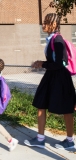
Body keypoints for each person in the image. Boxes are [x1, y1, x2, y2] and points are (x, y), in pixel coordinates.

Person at [24, 13, 76, 149]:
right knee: (41, 103)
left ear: (54, 24)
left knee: (67, 109)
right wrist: (43, 63)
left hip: (60, 77)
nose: (43, 25)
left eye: (47, 22)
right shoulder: (52, 39)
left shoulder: (58, 40)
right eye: (44, 22)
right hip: (52, 76)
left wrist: (42, 64)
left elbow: (61, 63)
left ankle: (70, 141)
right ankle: (40, 138)